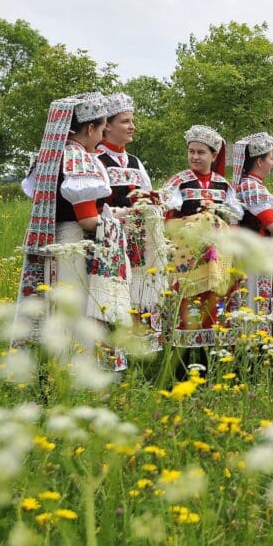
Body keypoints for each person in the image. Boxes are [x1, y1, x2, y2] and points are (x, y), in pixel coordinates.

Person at [17, 92, 130, 368]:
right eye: (103, 129)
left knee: (52, 311)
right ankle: (77, 373)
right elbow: (87, 220)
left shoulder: (50, 155)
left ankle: (49, 372)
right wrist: (119, 218)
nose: (103, 137)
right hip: (73, 245)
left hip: (50, 242)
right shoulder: (80, 159)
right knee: (77, 312)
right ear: (90, 128)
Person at [162, 125, 243, 368]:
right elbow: (166, 219)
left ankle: (214, 365)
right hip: (187, 259)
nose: (195, 157)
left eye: (201, 152)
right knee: (188, 309)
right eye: (191, 152)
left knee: (214, 308)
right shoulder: (179, 182)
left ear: (214, 155)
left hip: (217, 260)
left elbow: (233, 220)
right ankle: (181, 368)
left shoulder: (223, 185)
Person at [97, 92, 167, 353]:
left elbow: (147, 195)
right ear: (107, 126)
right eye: (125, 121)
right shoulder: (96, 159)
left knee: (139, 297)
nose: (132, 126)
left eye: (132, 120)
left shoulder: (135, 163)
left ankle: (139, 356)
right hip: (111, 239)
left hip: (138, 243)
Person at [229, 131, 273, 343]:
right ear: (259, 161)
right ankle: (259, 347)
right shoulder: (252, 187)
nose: (272, 163)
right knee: (257, 300)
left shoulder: (247, 183)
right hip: (258, 253)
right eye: (270, 158)